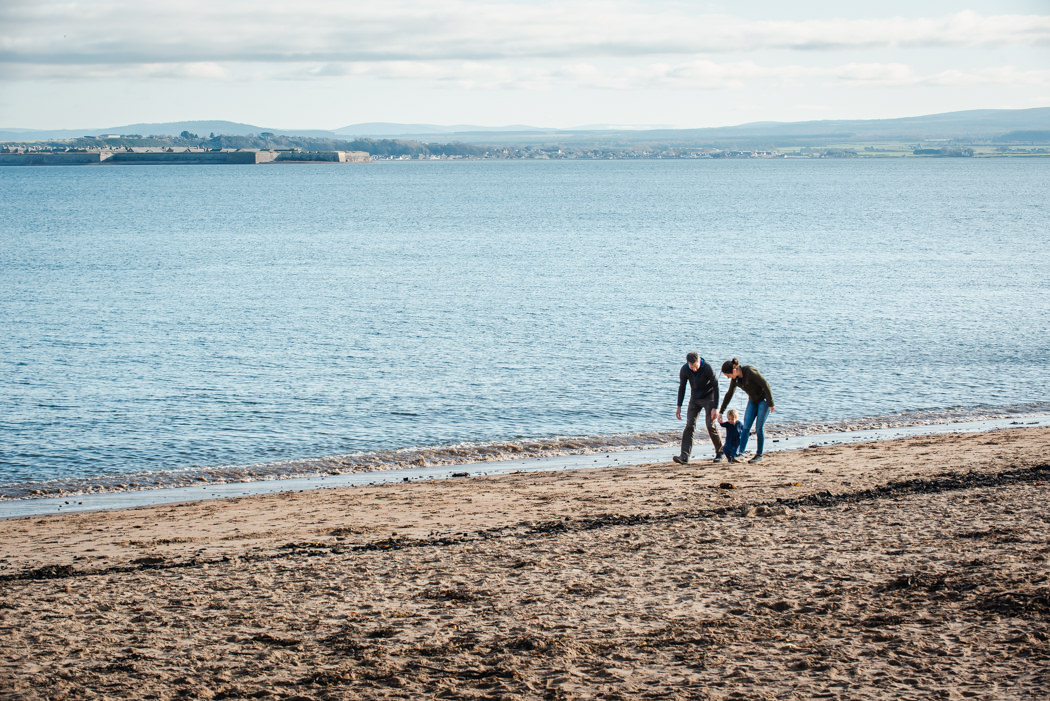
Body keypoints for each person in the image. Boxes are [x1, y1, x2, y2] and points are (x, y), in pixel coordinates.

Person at [716, 358, 775, 464]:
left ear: (734, 371)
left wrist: (771, 403)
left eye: (728, 375)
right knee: (746, 426)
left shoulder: (750, 371)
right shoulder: (735, 379)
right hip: (752, 401)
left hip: (764, 400)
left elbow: (765, 384)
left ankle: (759, 455)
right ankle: (740, 454)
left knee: (758, 428)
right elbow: (729, 394)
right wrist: (721, 411)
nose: (728, 378)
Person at [673, 351, 722, 464]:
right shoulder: (685, 369)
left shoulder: (708, 368)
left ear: (699, 361)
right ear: (688, 364)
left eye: (696, 366)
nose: (694, 369)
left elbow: (716, 387)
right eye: (692, 367)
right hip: (694, 399)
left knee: (710, 425)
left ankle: (720, 452)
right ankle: (684, 456)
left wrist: (716, 407)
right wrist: (679, 406)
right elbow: (682, 387)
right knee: (690, 425)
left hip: (709, 397)